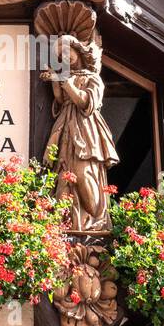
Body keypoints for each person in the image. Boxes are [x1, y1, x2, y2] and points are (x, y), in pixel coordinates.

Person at [41, 34, 118, 231]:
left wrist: (66, 82)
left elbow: (85, 103)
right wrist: (54, 79)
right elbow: (60, 100)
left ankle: (95, 220)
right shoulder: (66, 76)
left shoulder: (92, 78)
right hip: (65, 128)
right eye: (60, 55)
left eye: (67, 52)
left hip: (85, 130)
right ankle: (67, 224)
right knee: (63, 176)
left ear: (78, 51)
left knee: (83, 174)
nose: (64, 57)